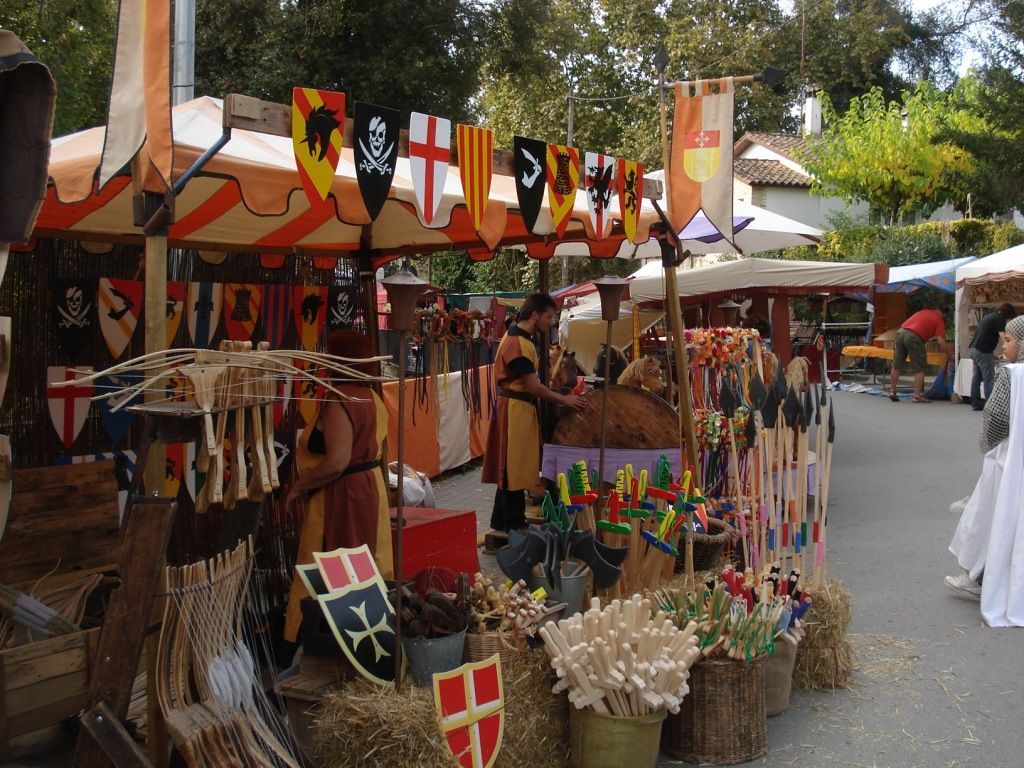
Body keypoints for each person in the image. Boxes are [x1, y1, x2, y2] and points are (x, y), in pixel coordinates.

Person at [283, 329, 394, 642]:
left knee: (337, 570)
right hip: (366, 490)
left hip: (344, 497)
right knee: (365, 564)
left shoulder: (341, 399)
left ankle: (328, 642)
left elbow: (336, 462)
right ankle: (365, 638)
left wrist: (299, 486)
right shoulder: (371, 396)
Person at [482, 293, 587, 531]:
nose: (549, 321)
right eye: (548, 316)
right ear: (535, 315)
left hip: (519, 407)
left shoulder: (519, 337)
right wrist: (564, 399)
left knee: (512, 467)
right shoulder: (517, 342)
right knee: (513, 467)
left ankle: (500, 520)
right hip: (515, 408)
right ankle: (514, 524)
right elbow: (532, 385)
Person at [947, 316, 1024, 625]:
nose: (1002, 346)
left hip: (1010, 463)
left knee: (996, 521)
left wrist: (987, 445)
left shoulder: (1012, 375)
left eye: (1007, 340)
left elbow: (996, 418)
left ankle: (981, 579)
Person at [889, 306, 952, 403]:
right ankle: (917, 396)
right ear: (944, 314)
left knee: (897, 365)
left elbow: (920, 325)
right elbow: (941, 342)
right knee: (920, 367)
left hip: (901, 332)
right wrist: (950, 355)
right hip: (914, 337)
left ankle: (892, 391)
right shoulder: (939, 320)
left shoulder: (925, 311)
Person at [969, 303, 1017, 411]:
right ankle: (991, 405)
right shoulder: (999, 319)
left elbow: (984, 335)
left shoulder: (990, 316)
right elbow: (1004, 338)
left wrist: (992, 355)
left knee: (976, 378)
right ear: (1007, 314)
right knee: (989, 378)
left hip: (974, 349)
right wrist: (1008, 353)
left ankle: (975, 403)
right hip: (983, 351)